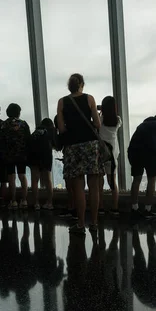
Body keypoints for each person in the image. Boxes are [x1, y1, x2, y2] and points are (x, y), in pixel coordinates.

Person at [56, 74, 103, 234]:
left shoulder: (62, 102)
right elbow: (97, 124)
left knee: (78, 188)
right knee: (94, 186)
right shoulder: (89, 99)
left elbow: (61, 129)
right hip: (90, 144)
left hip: (72, 146)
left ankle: (81, 224)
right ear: (81, 84)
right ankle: (95, 223)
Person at [2, 103, 31, 209]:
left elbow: (1, 140)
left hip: (9, 155)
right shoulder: (23, 124)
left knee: (11, 178)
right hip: (22, 154)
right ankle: (24, 200)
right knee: (22, 176)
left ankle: (13, 201)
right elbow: (28, 139)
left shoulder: (4, 124)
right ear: (18, 113)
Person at [98, 96, 121, 216]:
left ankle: (100, 207)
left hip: (101, 154)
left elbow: (96, 125)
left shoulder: (100, 120)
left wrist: (100, 112)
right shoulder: (118, 120)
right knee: (113, 183)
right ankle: (115, 208)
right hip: (112, 155)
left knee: (99, 183)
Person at [29, 117, 55, 210]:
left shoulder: (35, 133)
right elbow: (55, 145)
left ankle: (36, 203)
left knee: (35, 181)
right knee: (48, 180)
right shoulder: (49, 132)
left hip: (34, 157)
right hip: (46, 157)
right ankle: (49, 203)